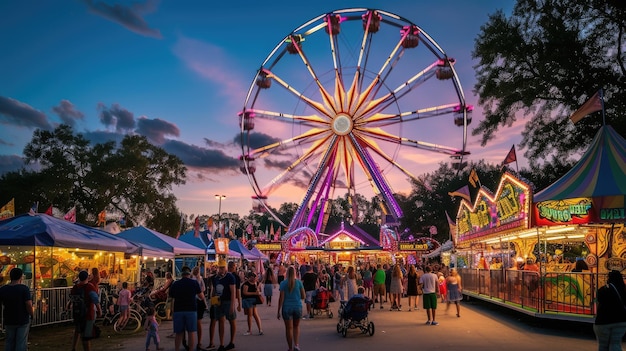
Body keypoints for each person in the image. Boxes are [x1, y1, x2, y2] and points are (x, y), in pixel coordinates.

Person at [169, 266, 204, 351]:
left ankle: (177, 349)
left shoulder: (175, 284)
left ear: (181, 274)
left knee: (178, 333)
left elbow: (171, 296)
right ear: (189, 274)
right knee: (191, 332)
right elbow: (201, 296)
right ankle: (191, 349)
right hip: (191, 310)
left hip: (178, 310)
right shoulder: (194, 283)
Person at [0, 267, 33, 351]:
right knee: (21, 342)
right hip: (22, 318)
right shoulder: (24, 289)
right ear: (21, 277)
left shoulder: (3, 289)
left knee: (9, 341)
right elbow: (28, 304)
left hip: (8, 318)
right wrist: (31, 314)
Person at [70, 270, 102, 351]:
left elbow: (71, 299)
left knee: (77, 330)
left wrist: (69, 305)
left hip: (77, 314)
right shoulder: (89, 287)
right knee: (86, 336)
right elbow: (95, 300)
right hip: (88, 314)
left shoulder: (75, 287)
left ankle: (73, 348)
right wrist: (99, 310)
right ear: (87, 277)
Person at [594, 270, 626, 350]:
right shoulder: (624, 290)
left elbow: (599, 300)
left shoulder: (603, 290)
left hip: (603, 321)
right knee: (616, 344)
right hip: (621, 320)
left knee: (603, 345)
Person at [209, 261, 237, 351]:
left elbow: (233, 292)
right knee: (220, 321)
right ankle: (221, 344)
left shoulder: (230, 277)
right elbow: (214, 289)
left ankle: (232, 342)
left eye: (222, 268)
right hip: (218, 301)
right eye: (220, 268)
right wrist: (212, 301)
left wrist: (233, 305)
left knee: (231, 320)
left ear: (225, 268)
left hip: (228, 301)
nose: (221, 270)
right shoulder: (215, 278)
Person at [277, 266, 305, 351]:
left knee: (288, 328)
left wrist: (278, 311)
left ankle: (290, 348)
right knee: (296, 326)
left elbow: (281, 298)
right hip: (297, 307)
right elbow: (303, 296)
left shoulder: (283, 283)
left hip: (287, 308)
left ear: (287, 273)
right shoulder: (299, 283)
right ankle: (296, 345)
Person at [192, 266, 209, 351]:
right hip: (200, 300)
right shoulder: (200, 279)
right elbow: (203, 289)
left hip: (192, 301)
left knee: (191, 322)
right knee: (199, 322)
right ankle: (199, 342)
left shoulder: (191, 279)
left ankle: (191, 342)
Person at [241, 271, 263, 335]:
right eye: (254, 277)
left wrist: (258, 289)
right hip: (249, 300)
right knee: (253, 315)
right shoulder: (247, 284)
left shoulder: (254, 283)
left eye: (255, 277)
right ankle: (259, 329)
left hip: (250, 300)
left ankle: (251, 330)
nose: (255, 279)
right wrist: (255, 293)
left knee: (251, 315)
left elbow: (245, 292)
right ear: (250, 277)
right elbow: (245, 292)